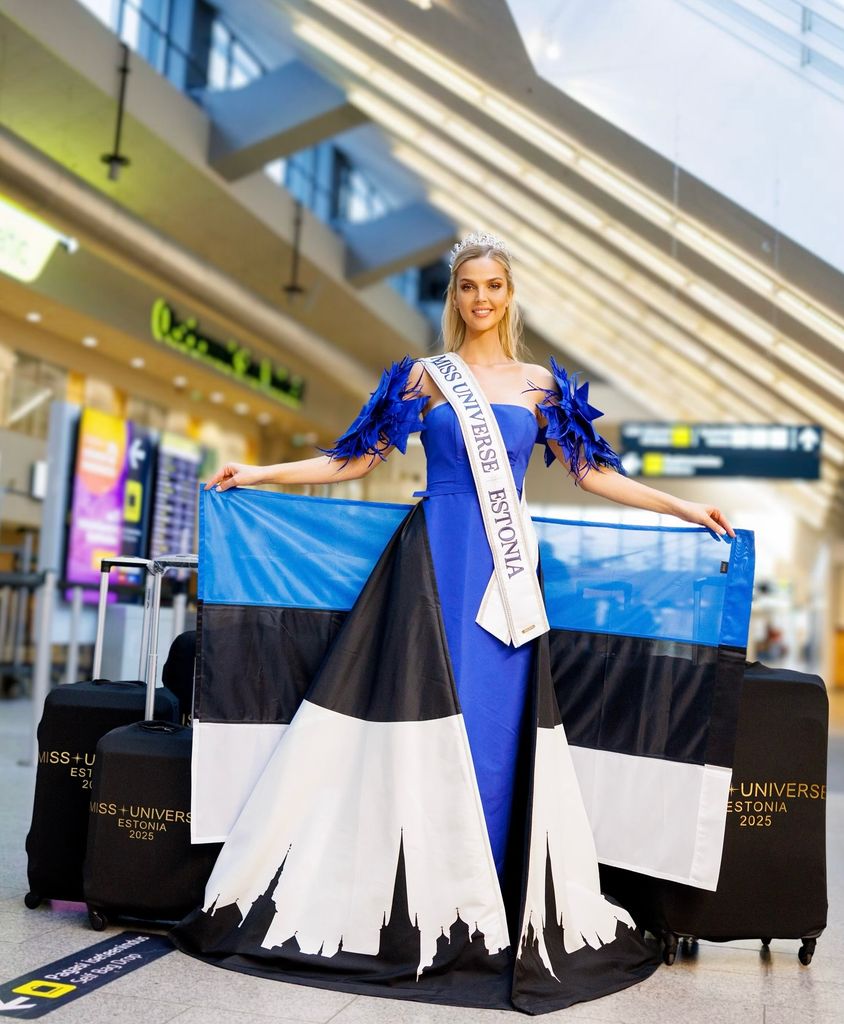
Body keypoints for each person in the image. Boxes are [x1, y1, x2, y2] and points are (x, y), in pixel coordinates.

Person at [173, 231, 736, 1015]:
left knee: (497, 730)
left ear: (511, 294)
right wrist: (262, 472)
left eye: (494, 286)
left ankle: (492, 898)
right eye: (468, 286)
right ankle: (423, 892)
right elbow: (355, 458)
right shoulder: (424, 378)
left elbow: (593, 472)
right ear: (455, 296)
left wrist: (681, 505)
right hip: (433, 563)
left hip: (505, 576)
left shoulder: (542, 386)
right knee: (428, 718)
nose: (480, 298)